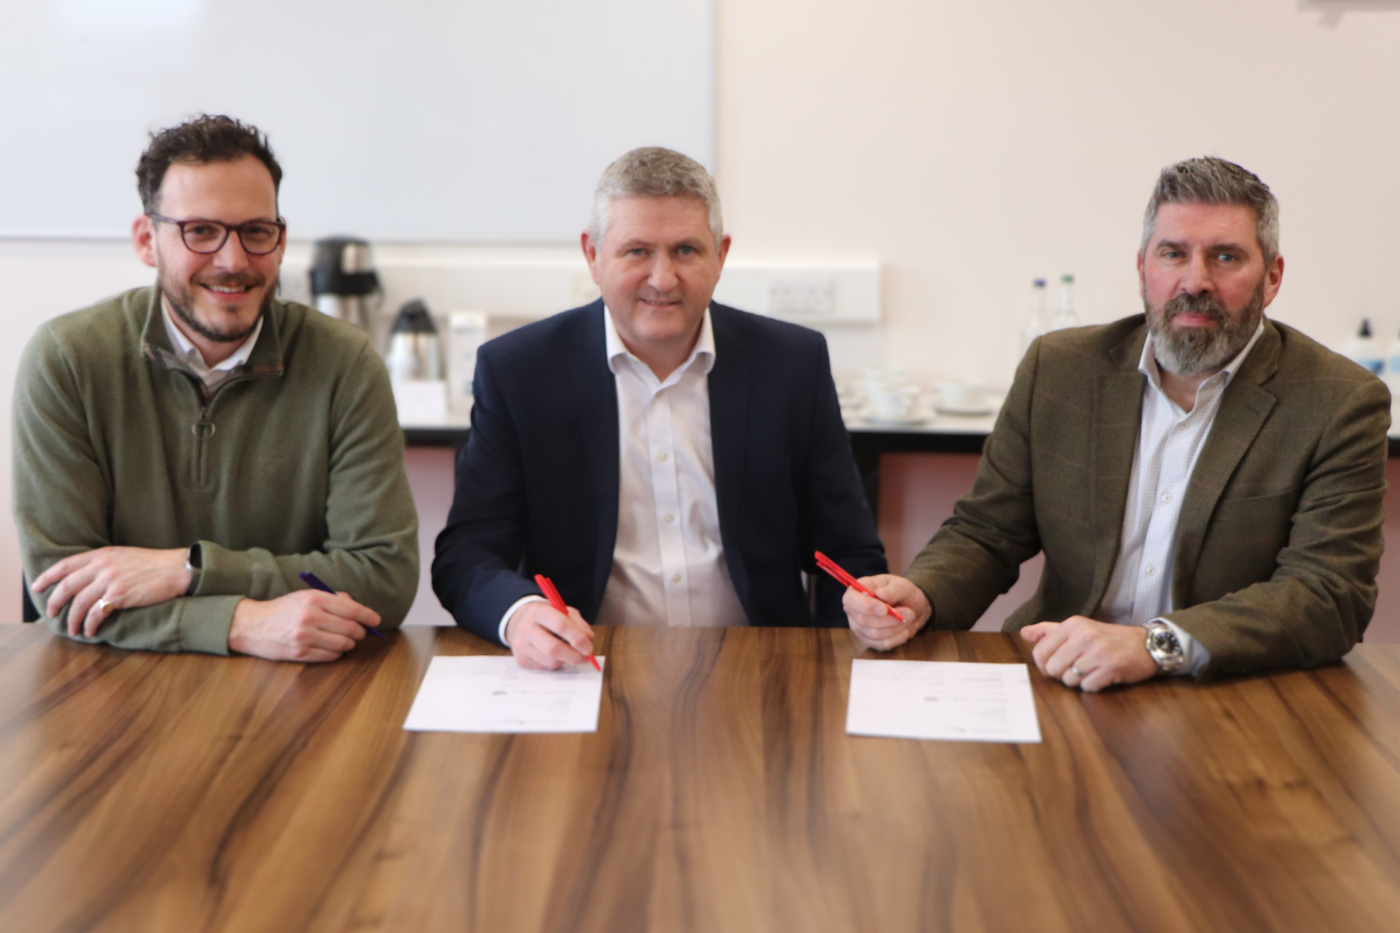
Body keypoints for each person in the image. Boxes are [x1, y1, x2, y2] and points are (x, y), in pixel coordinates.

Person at [843, 156, 1389, 689]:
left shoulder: (1338, 401)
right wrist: (925, 593)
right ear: (1142, 268)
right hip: (1061, 673)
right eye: (1173, 253)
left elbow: (1328, 595)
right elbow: (988, 531)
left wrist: (1156, 644)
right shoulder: (1059, 369)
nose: (1194, 280)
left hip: (1224, 691)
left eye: (1224, 257)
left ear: (1271, 277)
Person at [432, 147, 885, 669]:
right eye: (637, 251)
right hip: (590, 666)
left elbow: (849, 555)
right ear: (592, 255)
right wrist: (520, 614)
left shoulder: (792, 365)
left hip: (758, 670)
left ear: (721, 254)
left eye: (687, 250)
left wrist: (829, 670)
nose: (663, 279)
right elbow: (466, 556)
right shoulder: (519, 372)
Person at [14, 115, 418, 662]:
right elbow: (62, 594)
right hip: (112, 694)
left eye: (256, 231)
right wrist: (240, 622)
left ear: (280, 240)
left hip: (303, 697)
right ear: (147, 241)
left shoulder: (344, 363)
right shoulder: (67, 359)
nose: (233, 261)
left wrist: (189, 568)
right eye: (200, 231)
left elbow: (383, 579)